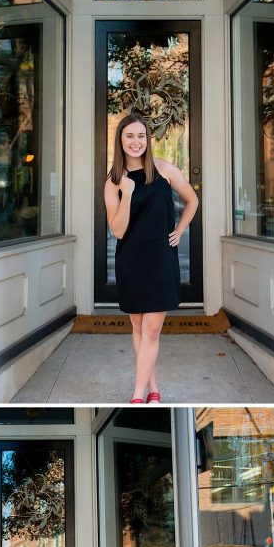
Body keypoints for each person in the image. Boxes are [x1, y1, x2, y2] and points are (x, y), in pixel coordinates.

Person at [104, 113, 198, 405]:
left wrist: (180, 230)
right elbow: (118, 231)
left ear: (148, 139)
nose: (136, 141)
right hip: (131, 259)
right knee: (138, 328)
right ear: (120, 140)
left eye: (141, 136)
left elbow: (192, 200)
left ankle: (137, 395)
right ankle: (153, 388)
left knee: (152, 329)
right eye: (129, 136)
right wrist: (128, 194)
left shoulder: (165, 170)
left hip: (160, 258)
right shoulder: (114, 181)